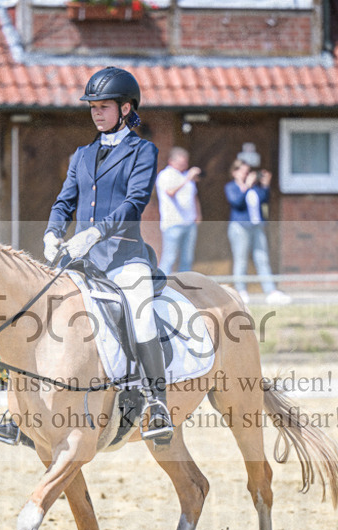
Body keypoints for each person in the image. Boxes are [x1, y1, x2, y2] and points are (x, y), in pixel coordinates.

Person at [41, 66, 173, 444]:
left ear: (126, 108)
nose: (96, 113)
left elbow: (135, 202)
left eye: (103, 106)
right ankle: (24, 408)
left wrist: (96, 231)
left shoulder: (143, 151)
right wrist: (53, 232)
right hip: (82, 259)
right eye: (92, 107)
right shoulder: (81, 155)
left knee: (141, 315)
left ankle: (156, 402)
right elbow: (64, 202)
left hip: (124, 257)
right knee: (43, 309)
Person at [224, 153, 290, 306]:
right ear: (235, 172)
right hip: (239, 227)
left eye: (249, 172)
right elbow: (237, 203)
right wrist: (246, 186)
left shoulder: (255, 188)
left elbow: (264, 200)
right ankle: (241, 292)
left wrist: (265, 184)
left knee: (262, 258)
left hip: (257, 226)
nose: (247, 175)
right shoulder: (231, 187)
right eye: (243, 172)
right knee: (241, 260)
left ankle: (271, 291)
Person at [155, 146, 201, 275]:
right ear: (172, 161)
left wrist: (198, 214)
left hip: (189, 223)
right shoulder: (165, 175)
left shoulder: (185, 176)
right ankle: (162, 289)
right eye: (181, 162)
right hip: (173, 223)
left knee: (187, 259)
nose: (184, 165)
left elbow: (194, 196)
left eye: (186, 162)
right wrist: (187, 179)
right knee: (170, 258)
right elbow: (170, 192)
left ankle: (184, 290)